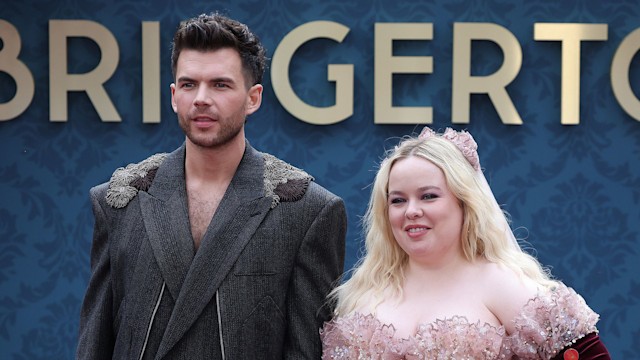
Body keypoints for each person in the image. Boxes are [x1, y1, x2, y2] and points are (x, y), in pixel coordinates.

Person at [77, 12, 347, 359]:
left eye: (220, 84)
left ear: (253, 98)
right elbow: (94, 343)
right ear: (174, 95)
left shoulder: (307, 210)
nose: (201, 98)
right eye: (189, 84)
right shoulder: (120, 201)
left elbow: (306, 351)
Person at [320, 127, 610, 359]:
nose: (411, 211)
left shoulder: (501, 284)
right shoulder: (363, 294)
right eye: (398, 200)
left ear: (464, 203)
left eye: (428, 196)